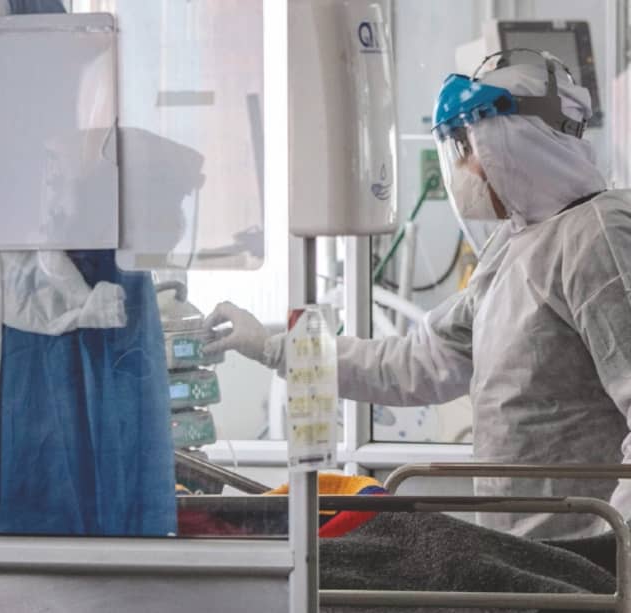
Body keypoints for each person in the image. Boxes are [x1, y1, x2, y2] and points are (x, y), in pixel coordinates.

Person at [204, 53, 631, 540]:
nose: (464, 169)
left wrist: (617, 544)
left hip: (593, 552)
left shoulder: (597, 237)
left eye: (468, 148)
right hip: (531, 548)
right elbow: (416, 363)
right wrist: (276, 347)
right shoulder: (513, 248)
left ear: (515, 142)